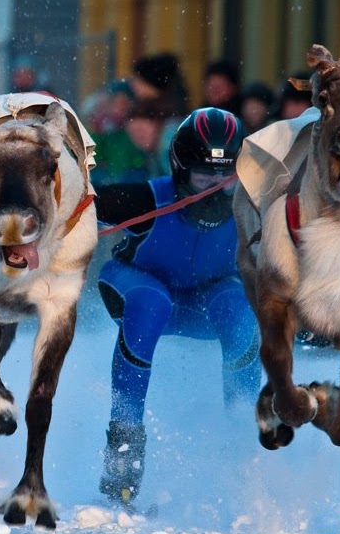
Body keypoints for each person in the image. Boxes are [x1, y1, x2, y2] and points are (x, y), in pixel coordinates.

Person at [93, 107, 261, 507]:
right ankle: (124, 445)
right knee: (153, 302)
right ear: (180, 169)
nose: (214, 189)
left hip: (209, 300)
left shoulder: (254, 210)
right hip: (138, 290)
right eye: (204, 177)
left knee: (241, 310)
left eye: (225, 178)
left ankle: (244, 449)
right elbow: (71, 206)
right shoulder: (144, 199)